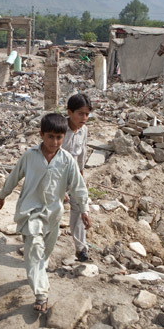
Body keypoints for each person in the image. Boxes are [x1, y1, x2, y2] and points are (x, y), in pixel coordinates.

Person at [0, 113, 91, 313]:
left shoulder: (67, 161)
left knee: (44, 253)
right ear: (41, 135)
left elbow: (78, 187)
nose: (54, 142)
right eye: (50, 137)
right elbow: (14, 176)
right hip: (30, 212)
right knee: (34, 251)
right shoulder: (29, 156)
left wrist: (84, 209)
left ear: (64, 137)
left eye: (59, 137)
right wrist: (2, 195)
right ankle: (41, 293)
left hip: (54, 215)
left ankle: (38, 273)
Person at [62, 93, 93, 262]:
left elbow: (82, 155)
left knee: (80, 209)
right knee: (49, 212)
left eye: (87, 114)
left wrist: (81, 178)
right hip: (55, 178)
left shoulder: (84, 131)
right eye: (80, 113)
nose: (84, 117)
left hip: (74, 177)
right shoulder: (59, 130)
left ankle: (80, 249)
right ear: (70, 112)